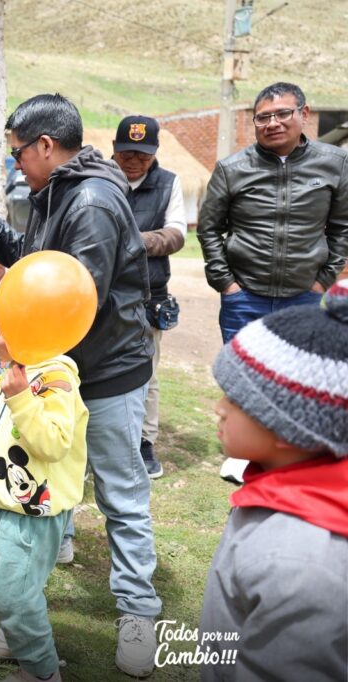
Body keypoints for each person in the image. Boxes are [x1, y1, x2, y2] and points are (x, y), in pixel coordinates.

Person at [0, 94, 160, 677]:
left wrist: (3, 325)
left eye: (17, 152)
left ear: (46, 146)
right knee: (39, 487)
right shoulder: (55, 194)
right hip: (57, 368)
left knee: (119, 491)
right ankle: (21, 622)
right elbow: (32, 265)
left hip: (104, 372)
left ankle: (138, 613)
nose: (14, 164)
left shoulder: (92, 201)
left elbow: (75, 298)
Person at [197, 81, 347, 483]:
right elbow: (210, 229)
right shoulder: (233, 168)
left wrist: (323, 280)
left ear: (304, 114)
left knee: (294, 377)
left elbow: (342, 227)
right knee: (243, 377)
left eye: (282, 113)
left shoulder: (335, 164)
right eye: (263, 117)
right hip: (244, 293)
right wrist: (225, 283)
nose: (273, 123)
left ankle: (288, 454)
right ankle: (242, 455)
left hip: (303, 295)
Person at [199, 282, 348, 681]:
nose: (219, 409)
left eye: (236, 399)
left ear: (288, 428)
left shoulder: (301, 566)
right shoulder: (281, 492)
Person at [0, 286, 88, 682]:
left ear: (31, 329)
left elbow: (53, 443)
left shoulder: (55, 378)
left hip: (36, 509)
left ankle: (41, 671)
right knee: (4, 576)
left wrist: (21, 398)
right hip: (10, 503)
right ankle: (12, 638)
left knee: (14, 592)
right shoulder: (13, 368)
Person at [112, 114, 187, 479]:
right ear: (114, 149)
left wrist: (131, 241)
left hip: (149, 295)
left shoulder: (169, 183)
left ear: (154, 153)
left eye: (141, 155)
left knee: (148, 372)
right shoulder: (100, 177)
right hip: (102, 293)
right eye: (126, 152)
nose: (133, 161)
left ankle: (144, 441)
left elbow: (176, 234)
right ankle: (104, 439)